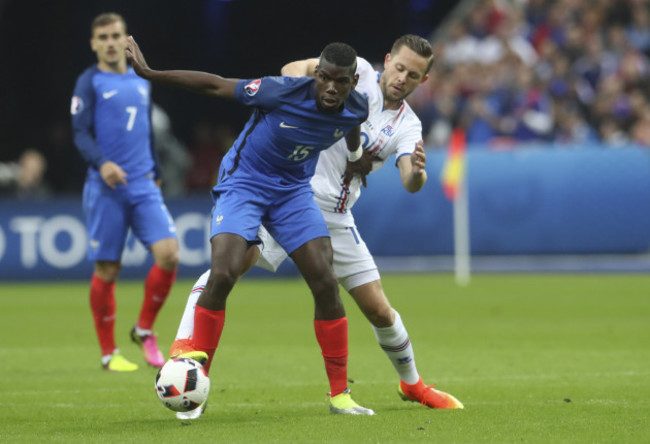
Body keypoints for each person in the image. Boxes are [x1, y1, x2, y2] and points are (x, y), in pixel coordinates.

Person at [172, 35, 464, 420]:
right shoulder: (352, 72)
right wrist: (300, 94)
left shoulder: (408, 125)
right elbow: (293, 70)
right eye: (398, 68)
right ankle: (189, 368)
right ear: (387, 60)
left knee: (378, 309)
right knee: (230, 268)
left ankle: (412, 385)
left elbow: (410, 179)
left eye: (413, 75)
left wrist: (420, 174)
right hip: (293, 197)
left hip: (339, 217)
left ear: (423, 81)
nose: (401, 78)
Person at [125, 36, 373, 416]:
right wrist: (150, 73)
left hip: (291, 192)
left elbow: (352, 123)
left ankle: (340, 395)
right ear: (316, 74)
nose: (331, 88)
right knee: (223, 273)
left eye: (341, 82)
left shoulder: (356, 105)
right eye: (325, 78)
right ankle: (196, 379)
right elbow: (215, 84)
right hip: (245, 183)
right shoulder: (281, 92)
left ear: (353, 83)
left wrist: (355, 157)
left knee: (324, 279)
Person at [70, 13, 179, 372]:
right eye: (103, 36)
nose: (111, 42)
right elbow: (81, 132)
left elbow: (146, 131)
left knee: (169, 254)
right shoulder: (89, 82)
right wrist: (102, 163)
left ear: (125, 38)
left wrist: (158, 172)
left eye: (116, 35)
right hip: (106, 188)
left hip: (144, 184)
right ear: (94, 43)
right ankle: (108, 353)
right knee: (108, 269)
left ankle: (145, 329)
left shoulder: (140, 81)